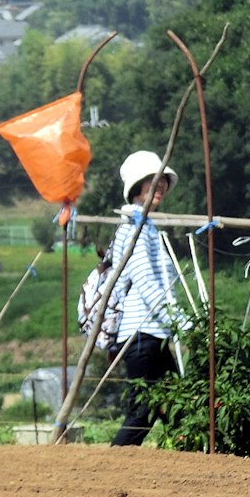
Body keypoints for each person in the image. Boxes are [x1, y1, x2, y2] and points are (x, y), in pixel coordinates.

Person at [108, 150, 181, 447]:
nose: (160, 185)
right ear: (138, 187)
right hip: (142, 334)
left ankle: (191, 459)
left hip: (155, 333)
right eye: (153, 180)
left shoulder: (146, 226)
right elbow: (146, 281)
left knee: (176, 404)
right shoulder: (133, 226)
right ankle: (114, 460)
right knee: (143, 410)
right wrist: (182, 322)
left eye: (163, 180)